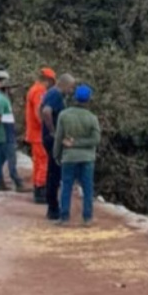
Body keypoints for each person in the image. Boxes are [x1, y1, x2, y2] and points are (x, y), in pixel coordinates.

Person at [54, 84, 101, 227]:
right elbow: (96, 140)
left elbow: (58, 137)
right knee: (87, 188)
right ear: (89, 100)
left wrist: (57, 154)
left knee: (66, 186)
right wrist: (80, 143)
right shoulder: (92, 118)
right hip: (87, 158)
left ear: (75, 98)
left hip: (69, 157)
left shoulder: (64, 115)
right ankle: (87, 218)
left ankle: (64, 217)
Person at [40, 73, 75, 220]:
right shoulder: (56, 94)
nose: (72, 91)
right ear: (65, 85)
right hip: (51, 138)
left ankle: (53, 206)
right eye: (71, 87)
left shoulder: (51, 93)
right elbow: (46, 111)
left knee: (53, 171)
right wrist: (53, 131)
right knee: (54, 172)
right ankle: (53, 208)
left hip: (48, 137)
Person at [25, 67, 56, 203]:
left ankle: (37, 188)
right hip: (38, 133)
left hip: (33, 132)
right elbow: (39, 112)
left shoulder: (34, 89)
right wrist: (47, 127)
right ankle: (40, 189)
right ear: (48, 80)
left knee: (38, 161)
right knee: (43, 161)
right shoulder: (39, 91)